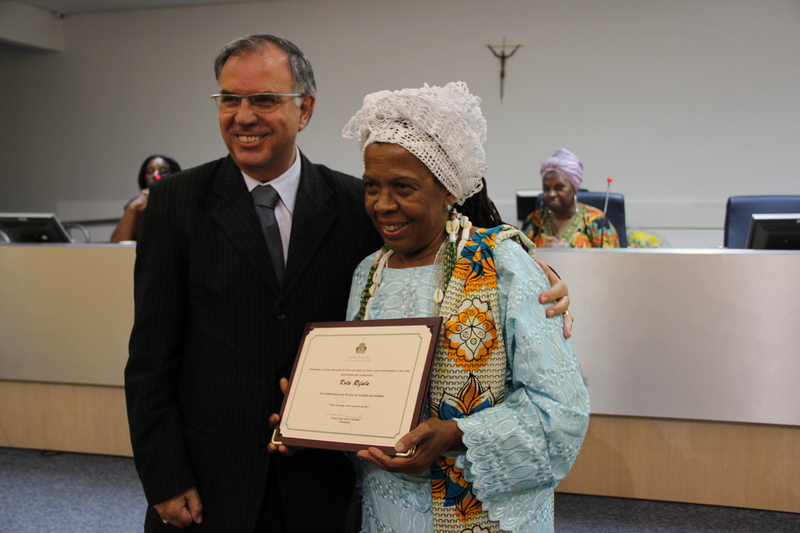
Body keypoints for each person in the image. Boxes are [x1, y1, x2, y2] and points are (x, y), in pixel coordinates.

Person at [125, 35, 571, 533]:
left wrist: (541, 275)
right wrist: (163, 475)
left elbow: (447, 240)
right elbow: (150, 358)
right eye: (230, 99)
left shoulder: (357, 203)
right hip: (211, 481)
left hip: (324, 489)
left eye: (264, 99)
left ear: (305, 109)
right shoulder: (175, 205)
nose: (243, 115)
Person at [340, 83, 590, 533]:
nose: (382, 205)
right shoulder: (367, 273)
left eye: (403, 187)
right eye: (372, 186)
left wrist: (456, 435)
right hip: (388, 506)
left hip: (478, 510)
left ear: (449, 190)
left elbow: (562, 413)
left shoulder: (502, 264)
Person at [521, 148, 619, 248]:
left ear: (574, 188)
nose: (551, 194)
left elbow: (612, 261)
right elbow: (516, 260)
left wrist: (568, 253)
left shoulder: (597, 220)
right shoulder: (534, 220)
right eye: (546, 189)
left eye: (559, 188)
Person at [109, 155, 181, 243]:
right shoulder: (136, 204)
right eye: (150, 171)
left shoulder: (182, 202)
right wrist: (132, 208)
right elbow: (117, 245)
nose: (155, 175)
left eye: (163, 171)